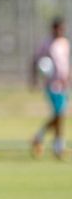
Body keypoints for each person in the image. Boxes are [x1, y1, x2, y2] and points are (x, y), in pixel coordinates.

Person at [31, 17, 69, 160]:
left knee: (60, 116)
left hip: (64, 85)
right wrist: (34, 78)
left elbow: (65, 63)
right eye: (58, 28)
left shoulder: (64, 43)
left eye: (62, 29)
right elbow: (35, 59)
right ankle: (57, 147)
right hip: (52, 85)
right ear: (53, 29)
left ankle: (42, 139)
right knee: (59, 114)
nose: (61, 31)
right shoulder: (46, 44)